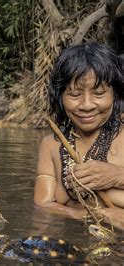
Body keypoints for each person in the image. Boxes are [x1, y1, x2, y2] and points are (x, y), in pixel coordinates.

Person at [34, 42, 124, 220]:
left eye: (99, 94)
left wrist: (117, 176)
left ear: (115, 94)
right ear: (60, 97)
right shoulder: (51, 145)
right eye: (74, 95)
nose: (86, 105)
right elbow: (42, 205)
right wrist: (92, 215)